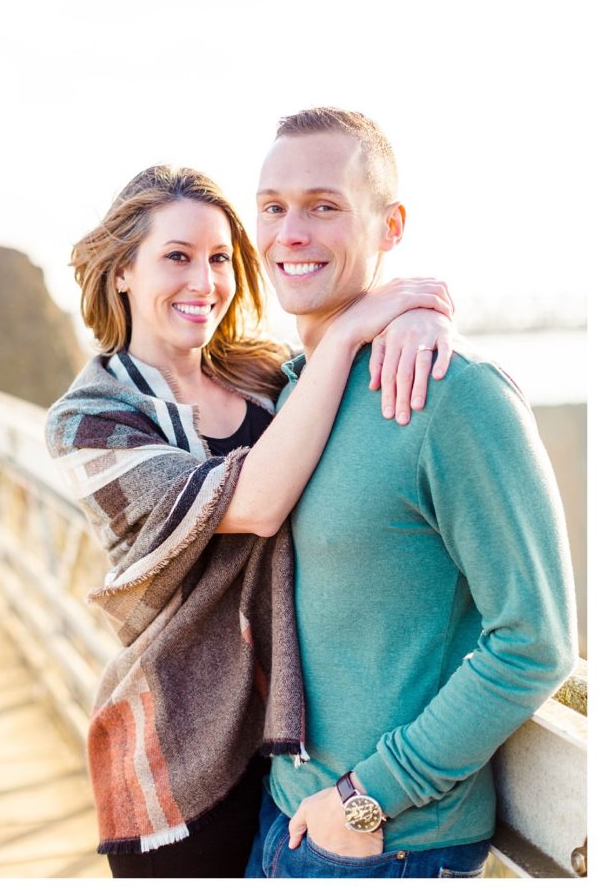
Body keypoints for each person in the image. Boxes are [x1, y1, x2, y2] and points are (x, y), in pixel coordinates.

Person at [45, 162, 457, 878]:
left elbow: (353, 386)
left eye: (218, 258)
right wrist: (357, 324)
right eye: (177, 257)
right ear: (122, 273)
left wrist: (416, 314)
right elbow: (257, 505)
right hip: (182, 745)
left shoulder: (265, 376)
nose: (204, 281)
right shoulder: (89, 422)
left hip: (292, 740)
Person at [244, 107, 578, 880]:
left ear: (390, 225)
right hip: (281, 817)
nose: (290, 231)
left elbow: (536, 640)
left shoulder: (455, 398)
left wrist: (366, 798)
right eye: (273, 207)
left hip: (382, 842)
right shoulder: (289, 396)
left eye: (324, 206)